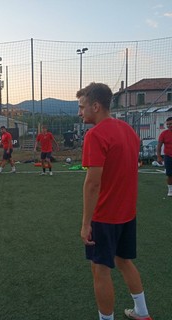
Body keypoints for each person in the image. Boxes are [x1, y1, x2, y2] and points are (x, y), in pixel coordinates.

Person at [77, 83, 152, 320]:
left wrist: (86, 223)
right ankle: (142, 312)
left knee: (100, 270)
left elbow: (93, 184)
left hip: (105, 216)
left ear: (95, 106)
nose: (80, 112)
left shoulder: (95, 135)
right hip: (127, 213)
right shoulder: (128, 131)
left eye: (82, 107)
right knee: (124, 261)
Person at [157, 116, 172, 197]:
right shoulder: (164, 133)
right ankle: (170, 190)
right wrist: (159, 156)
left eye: (171, 124)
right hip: (168, 156)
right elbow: (159, 145)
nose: (169, 125)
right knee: (170, 174)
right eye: (168, 124)